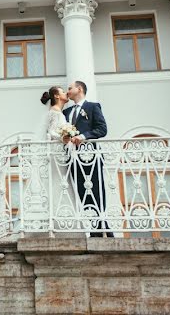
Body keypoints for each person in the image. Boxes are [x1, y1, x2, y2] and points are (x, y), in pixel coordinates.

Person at [63, 80, 112, 237]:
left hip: (91, 157)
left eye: (70, 88)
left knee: (97, 192)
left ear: (79, 89)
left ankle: (104, 229)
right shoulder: (66, 112)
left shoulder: (92, 107)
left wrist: (84, 136)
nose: (68, 91)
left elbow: (102, 129)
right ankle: (94, 230)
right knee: (82, 194)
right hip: (73, 159)